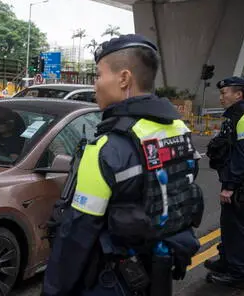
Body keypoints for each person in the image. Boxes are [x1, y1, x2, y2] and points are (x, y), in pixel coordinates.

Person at [42, 34, 204, 296]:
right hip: (160, 270)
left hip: (111, 281)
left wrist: (53, 291)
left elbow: (77, 234)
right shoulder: (179, 131)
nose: (95, 85)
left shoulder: (105, 148)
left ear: (124, 78)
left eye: (98, 75)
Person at [204, 76, 244, 289]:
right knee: (229, 225)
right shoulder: (236, 115)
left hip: (240, 185)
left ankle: (238, 273)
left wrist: (230, 186)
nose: (221, 97)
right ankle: (227, 260)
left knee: (237, 228)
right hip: (236, 181)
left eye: (224, 93)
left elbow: (243, 154)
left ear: (238, 94)